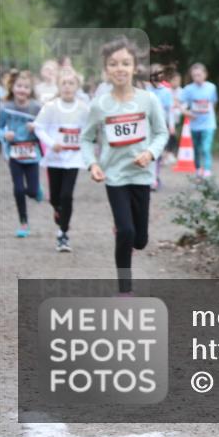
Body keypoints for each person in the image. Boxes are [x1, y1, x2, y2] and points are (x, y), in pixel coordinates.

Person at [81, 38, 168, 294]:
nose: (120, 68)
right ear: (106, 69)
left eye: (125, 63)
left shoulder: (148, 100)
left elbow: (162, 133)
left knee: (140, 241)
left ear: (134, 67)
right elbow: (86, 138)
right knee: (127, 232)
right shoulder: (99, 105)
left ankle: (126, 231)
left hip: (141, 176)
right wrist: (92, 164)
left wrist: (150, 153)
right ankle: (125, 289)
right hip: (115, 177)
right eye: (113, 64)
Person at [34, 68, 90, 252]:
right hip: (54, 159)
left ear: (77, 87)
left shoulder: (83, 108)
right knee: (55, 198)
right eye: (64, 83)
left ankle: (63, 234)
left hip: (73, 159)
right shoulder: (51, 107)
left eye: (71, 83)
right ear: (59, 86)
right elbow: (38, 127)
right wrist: (51, 143)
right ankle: (58, 210)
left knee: (67, 195)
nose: (67, 86)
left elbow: (89, 130)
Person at [0, 70, 43, 237]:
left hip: (32, 154)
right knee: (18, 189)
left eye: (26, 87)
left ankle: (36, 190)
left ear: (31, 90)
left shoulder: (36, 107)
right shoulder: (6, 108)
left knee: (31, 191)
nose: (22, 90)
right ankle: (23, 223)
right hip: (14, 154)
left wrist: (36, 127)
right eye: (19, 86)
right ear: (13, 87)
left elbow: (45, 126)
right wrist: (4, 134)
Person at [179, 63, 218, 179]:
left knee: (206, 147)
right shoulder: (188, 89)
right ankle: (197, 169)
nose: (197, 78)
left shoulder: (212, 87)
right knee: (196, 148)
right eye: (194, 75)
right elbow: (180, 104)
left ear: (205, 75)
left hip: (209, 124)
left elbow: (214, 103)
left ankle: (207, 170)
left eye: (199, 75)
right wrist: (186, 112)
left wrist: (210, 114)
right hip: (194, 125)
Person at [148, 64, 175, 190]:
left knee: (157, 153)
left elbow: (170, 110)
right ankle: (150, 177)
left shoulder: (166, 92)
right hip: (147, 126)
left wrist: (171, 125)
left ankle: (154, 178)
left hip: (161, 126)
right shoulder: (146, 90)